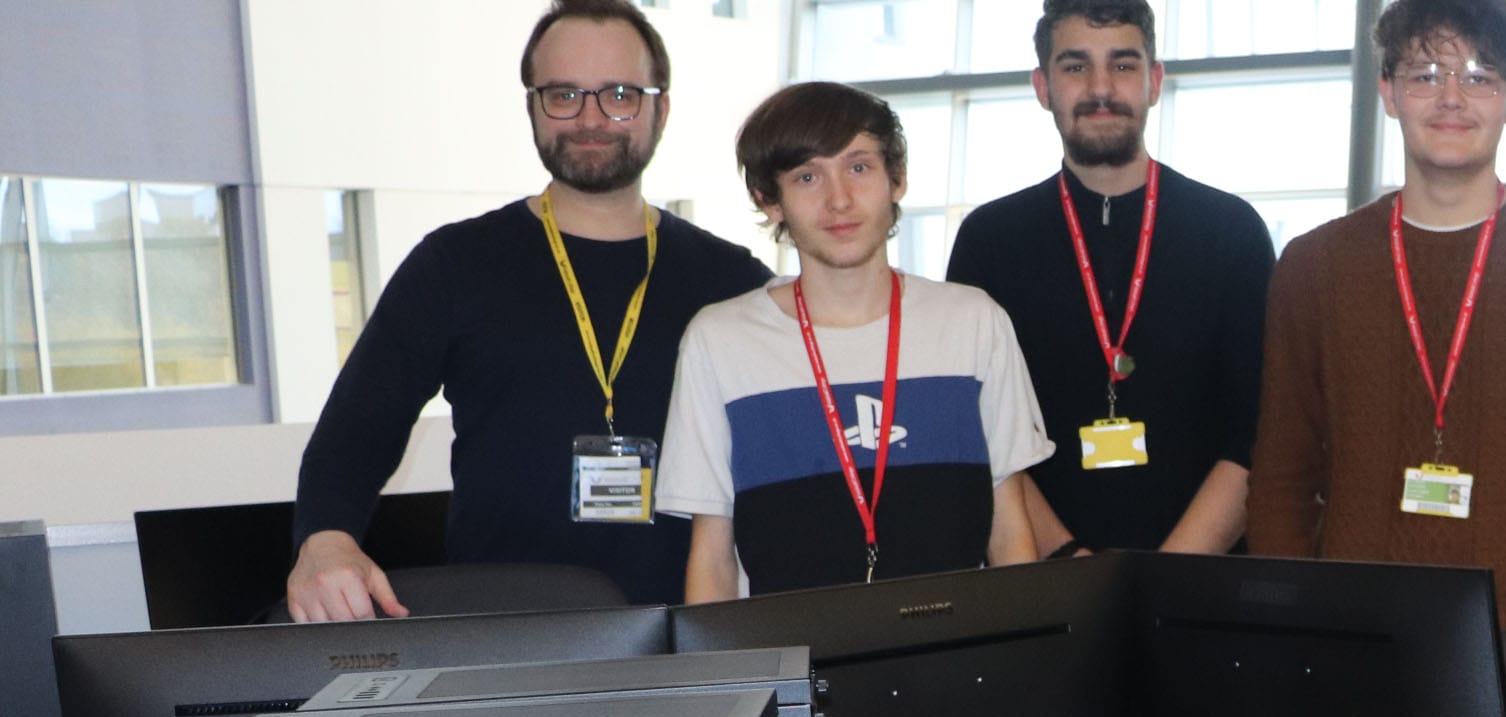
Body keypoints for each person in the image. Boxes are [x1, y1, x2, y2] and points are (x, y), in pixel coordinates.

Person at [287, 0, 770, 620]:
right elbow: (359, 426)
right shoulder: (454, 263)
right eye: (563, 94)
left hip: (686, 637)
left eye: (619, 94)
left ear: (660, 107)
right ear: (532, 108)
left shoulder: (732, 280)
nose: (590, 118)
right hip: (501, 638)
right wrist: (325, 539)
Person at [1246, 0, 1506, 626]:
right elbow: (1281, 480)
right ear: (1387, 92)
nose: (1451, 98)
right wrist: (1304, 624)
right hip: (1356, 643)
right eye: (1424, 75)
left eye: (1479, 76)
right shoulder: (1314, 268)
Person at [656, 82, 1052, 599]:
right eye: (807, 176)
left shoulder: (973, 322)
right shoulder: (720, 341)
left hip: (957, 657)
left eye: (859, 167)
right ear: (768, 200)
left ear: (898, 179)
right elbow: (712, 557)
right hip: (789, 664)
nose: (838, 199)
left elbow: (1009, 528)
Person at [945, 0, 1273, 556]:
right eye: (1075, 67)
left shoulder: (1231, 232)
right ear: (1043, 86)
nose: (1101, 88)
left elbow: (1257, 435)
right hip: (1045, 579)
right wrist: (1070, 566)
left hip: (1201, 584)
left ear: (1154, 81)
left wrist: (1164, 578)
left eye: (1123, 65)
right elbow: (978, 431)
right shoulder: (991, 240)